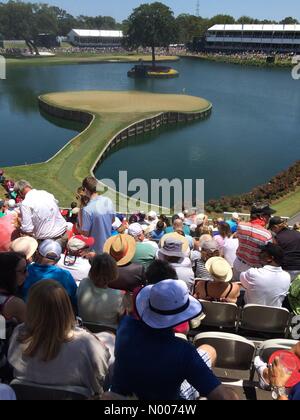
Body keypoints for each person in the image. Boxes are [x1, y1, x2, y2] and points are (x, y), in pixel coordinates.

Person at [111, 280, 238, 400]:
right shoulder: (185, 352)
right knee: (210, 352)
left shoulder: (125, 325)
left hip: (122, 394)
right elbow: (223, 397)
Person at [8, 281, 110, 397]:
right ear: (66, 307)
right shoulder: (85, 342)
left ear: (31, 306)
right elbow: (102, 374)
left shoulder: (19, 334)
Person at [22, 240, 77, 309]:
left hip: (27, 314)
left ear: (37, 254)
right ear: (59, 259)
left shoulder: (25, 270)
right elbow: (73, 299)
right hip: (54, 316)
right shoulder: (65, 275)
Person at [77, 254, 126, 330]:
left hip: (83, 330)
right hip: (109, 335)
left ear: (92, 269)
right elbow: (121, 320)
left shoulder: (83, 283)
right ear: (113, 272)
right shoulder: (119, 296)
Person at [14, 180, 67, 247]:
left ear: (20, 192)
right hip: (64, 234)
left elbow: (27, 229)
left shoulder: (25, 203)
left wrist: (19, 226)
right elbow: (55, 205)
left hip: (48, 242)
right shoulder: (45, 193)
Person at [233, 203, 275, 281]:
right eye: (268, 215)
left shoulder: (241, 226)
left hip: (238, 263)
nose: (270, 217)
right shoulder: (267, 234)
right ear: (262, 216)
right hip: (254, 270)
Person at [240, 243, 291, 307]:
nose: (259, 254)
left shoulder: (253, 273)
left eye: (262, 252)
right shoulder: (287, 277)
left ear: (270, 258)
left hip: (250, 314)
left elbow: (241, 278)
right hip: (273, 316)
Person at [80, 177, 115, 254]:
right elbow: (113, 220)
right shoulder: (108, 201)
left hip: (95, 251)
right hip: (108, 247)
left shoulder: (87, 209)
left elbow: (85, 233)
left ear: (85, 189)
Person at [269, 217, 300, 282]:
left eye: (271, 229)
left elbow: (275, 255)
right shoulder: (297, 234)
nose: (272, 231)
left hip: (286, 269)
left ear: (275, 227)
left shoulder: (277, 238)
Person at [0, 252, 27, 324]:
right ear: (8, 273)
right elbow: (30, 329)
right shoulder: (15, 303)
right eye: (23, 271)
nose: (27, 274)